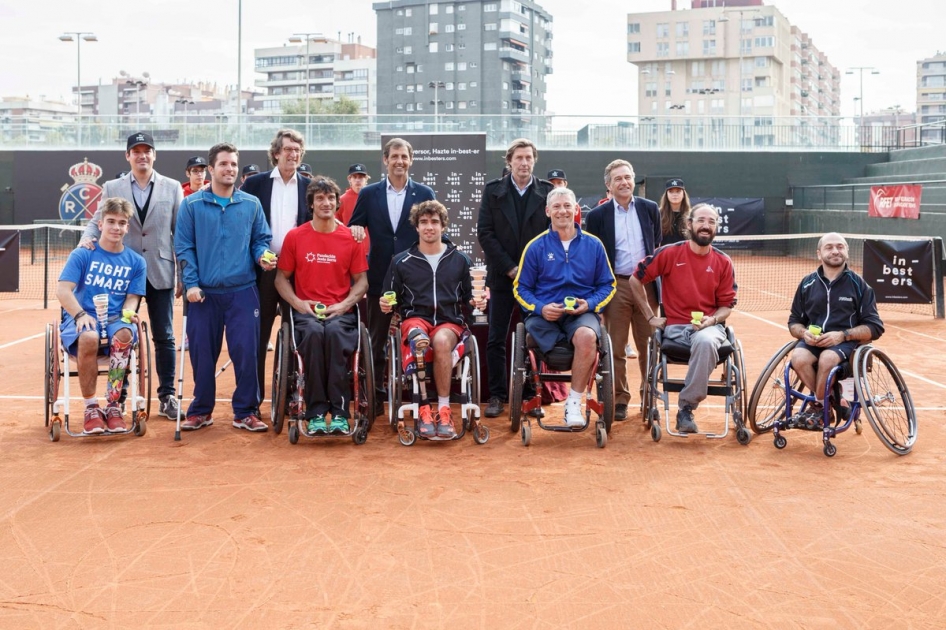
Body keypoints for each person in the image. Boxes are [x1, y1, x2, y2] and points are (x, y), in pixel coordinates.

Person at [79, 131, 184, 421]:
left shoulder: (173, 187)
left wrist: (183, 275)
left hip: (160, 271)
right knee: (120, 336)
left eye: (147, 150)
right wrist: (85, 240)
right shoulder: (113, 186)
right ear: (128, 156)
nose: (142, 155)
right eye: (136, 151)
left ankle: (167, 396)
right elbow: (96, 221)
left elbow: (181, 233)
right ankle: (119, 398)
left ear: (154, 154)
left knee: (164, 336)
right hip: (123, 274)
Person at [174, 142, 275, 433]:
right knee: (203, 355)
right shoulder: (191, 205)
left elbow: (260, 239)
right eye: (223, 164)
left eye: (233, 164)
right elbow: (184, 247)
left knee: (246, 352)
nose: (229, 169)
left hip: (243, 291)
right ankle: (201, 410)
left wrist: (262, 255)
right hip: (202, 294)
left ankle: (245, 411)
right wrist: (191, 283)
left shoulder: (251, 204)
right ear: (211, 169)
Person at [628, 203, 737, 434]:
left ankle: (686, 408)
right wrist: (649, 316)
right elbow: (635, 279)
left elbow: (726, 307)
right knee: (703, 342)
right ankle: (687, 406)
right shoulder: (669, 253)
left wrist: (712, 320)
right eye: (701, 221)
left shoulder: (723, 262)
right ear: (689, 224)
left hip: (709, 329)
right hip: (675, 328)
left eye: (711, 222)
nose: (706, 226)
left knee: (705, 341)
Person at [381, 200, 485, 438]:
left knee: (440, 341)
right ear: (416, 227)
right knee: (419, 336)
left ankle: (444, 409)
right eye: (424, 222)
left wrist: (477, 302)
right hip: (414, 320)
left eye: (434, 222)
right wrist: (386, 304)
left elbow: (470, 298)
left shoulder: (460, 260)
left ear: (443, 226)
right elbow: (391, 298)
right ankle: (424, 408)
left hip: (449, 322)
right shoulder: (400, 261)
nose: (429, 227)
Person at [513, 187, 616, 426]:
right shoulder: (535, 246)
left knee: (587, 336)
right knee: (537, 334)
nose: (563, 211)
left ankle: (573, 403)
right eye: (557, 207)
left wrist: (588, 304)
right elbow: (520, 288)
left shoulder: (594, 245)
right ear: (548, 211)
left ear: (576, 210)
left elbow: (608, 285)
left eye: (567, 205)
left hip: (581, 314)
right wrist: (540, 308)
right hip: (545, 315)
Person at [348, 138, 436, 415]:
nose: (399, 161)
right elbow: (355, 223)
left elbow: (434, 230)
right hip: (379, 277)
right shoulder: (370, 193)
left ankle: (422, 397)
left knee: (420, 336)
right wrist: (356, 227)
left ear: (411, 160)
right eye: (394, 156)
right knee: (376, 340)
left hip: (415, 278)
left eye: (404, 156)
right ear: (385, 160)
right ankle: (375, 397)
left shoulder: (424, 192)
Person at [275, 176, 368, 434]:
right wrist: (298, 303)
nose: (326, 203)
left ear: (337, 203)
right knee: (316, 336)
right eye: (320, 198)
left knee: (335, 335)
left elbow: (362, 282)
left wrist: (344, 304)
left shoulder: (351, 238)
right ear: (312, 204)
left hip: (341, 313)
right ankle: (315, 412)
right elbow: (281, 279)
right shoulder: (295, 237)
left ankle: (339, 413)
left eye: (330, 198)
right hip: (307, 314)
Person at [476, 138, 553, 418]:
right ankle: (497, 396)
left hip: (537, 282)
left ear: (534, 161)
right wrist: (510, 268)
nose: (524, 162)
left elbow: (551, 235)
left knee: (534, 337)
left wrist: (531, 271)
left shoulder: (547, 192)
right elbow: (485, 233)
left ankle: (531, 396)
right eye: (519, 157)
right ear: (509, 161)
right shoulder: (492, 191)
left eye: (528, 157)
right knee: (497, 338)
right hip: (502, 278)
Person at [57, 198, 147, 434]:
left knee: (126, 333)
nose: (116, 227)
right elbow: (63, 289)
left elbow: (132, 298)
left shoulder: (136, 262)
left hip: (115, 318)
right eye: (111, 222)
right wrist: (79, 315)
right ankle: (91, 408)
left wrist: (128, 313)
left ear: (127, 227)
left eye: (122, 223)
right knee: (88, 337)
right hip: (82, 315)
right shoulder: (83, 254)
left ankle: (114, 405)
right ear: (100, 224)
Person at [585, 159, 661, 421]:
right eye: (618, 179)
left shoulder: (651, 209)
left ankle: (649, 396)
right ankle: (619, 399)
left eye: (627, 177)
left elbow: (657, 243)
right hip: (614, 286)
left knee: (649, 346)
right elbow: (594, 253)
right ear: (608, 185)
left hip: (646, 287)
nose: (624, 182)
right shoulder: (596, 216)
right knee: (615, 348)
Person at [240, 129, 311, 403]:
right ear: (276, 154)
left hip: (298, 274)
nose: (293, 154)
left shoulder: (309, 186)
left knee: (297, 336)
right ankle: (253, 398)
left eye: (297, 150)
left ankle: (294, 394)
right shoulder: (254, 185)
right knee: (259, 337)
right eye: (288, 149)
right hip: (262, 273)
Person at [787, 232, 884, 426]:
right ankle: (830, 400)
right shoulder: (807, 283)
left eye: (840, 247)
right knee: (798, 358)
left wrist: (842, 335)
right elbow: (794, 322)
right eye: (829, 247)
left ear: (847, 251)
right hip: (812, 342)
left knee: (828, 358)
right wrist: (803, 333)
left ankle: (818, 405)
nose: (835, 251)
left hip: (846, 344)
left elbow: (875, 327)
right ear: (819, 253)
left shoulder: (860, 286)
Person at [338, 163, 371, 253]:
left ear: (366, 179)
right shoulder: (341, 200)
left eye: (361, 177)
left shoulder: (374, 197)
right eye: (354, 177)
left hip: (372, 251)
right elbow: (335, 225)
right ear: (349, 179)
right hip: (349, 250)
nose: (357, 180)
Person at [658, 178, 691, 245]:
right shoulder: (658, 214)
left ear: (683, 194)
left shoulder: (691, 215)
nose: (674, 194)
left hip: (684, 254)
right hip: (664, 253)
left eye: (678, 191)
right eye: (671, 191)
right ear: (666, 194)